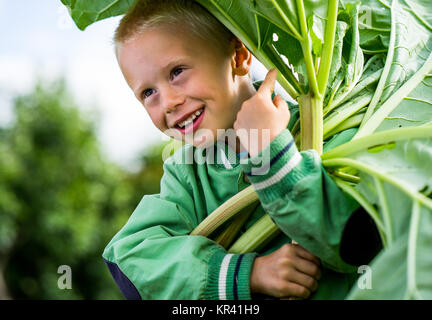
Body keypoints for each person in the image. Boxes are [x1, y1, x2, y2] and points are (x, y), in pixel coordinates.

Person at [102, 0, 381, 300]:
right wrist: (249, 274)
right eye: (148, 93)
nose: (167, 102)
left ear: (238, 55)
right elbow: (129, 261)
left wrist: (272, 157)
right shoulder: (186, 172)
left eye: (177, 71)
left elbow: (360, 246)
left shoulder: (329, 130)